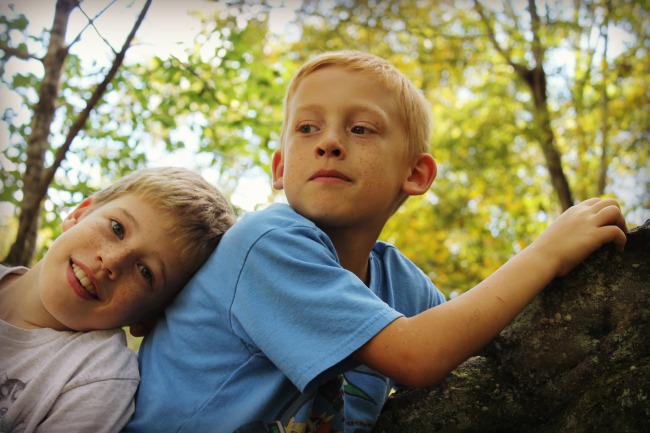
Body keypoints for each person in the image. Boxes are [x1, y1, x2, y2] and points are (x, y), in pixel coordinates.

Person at [123, 51, 628, 433]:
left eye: (361, 128)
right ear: (280, 169)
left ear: (415, 173)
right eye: (306, 128)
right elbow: (418, 355)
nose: (329, 141)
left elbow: (473, 339)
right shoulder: (266, 244)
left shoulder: (399, 283)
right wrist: (545, 253)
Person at [0, 166, 235, 433]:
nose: (111, 261)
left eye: (145, 272)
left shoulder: (98, 377)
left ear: (146, 320)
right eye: (117, 228)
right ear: (79, 213)